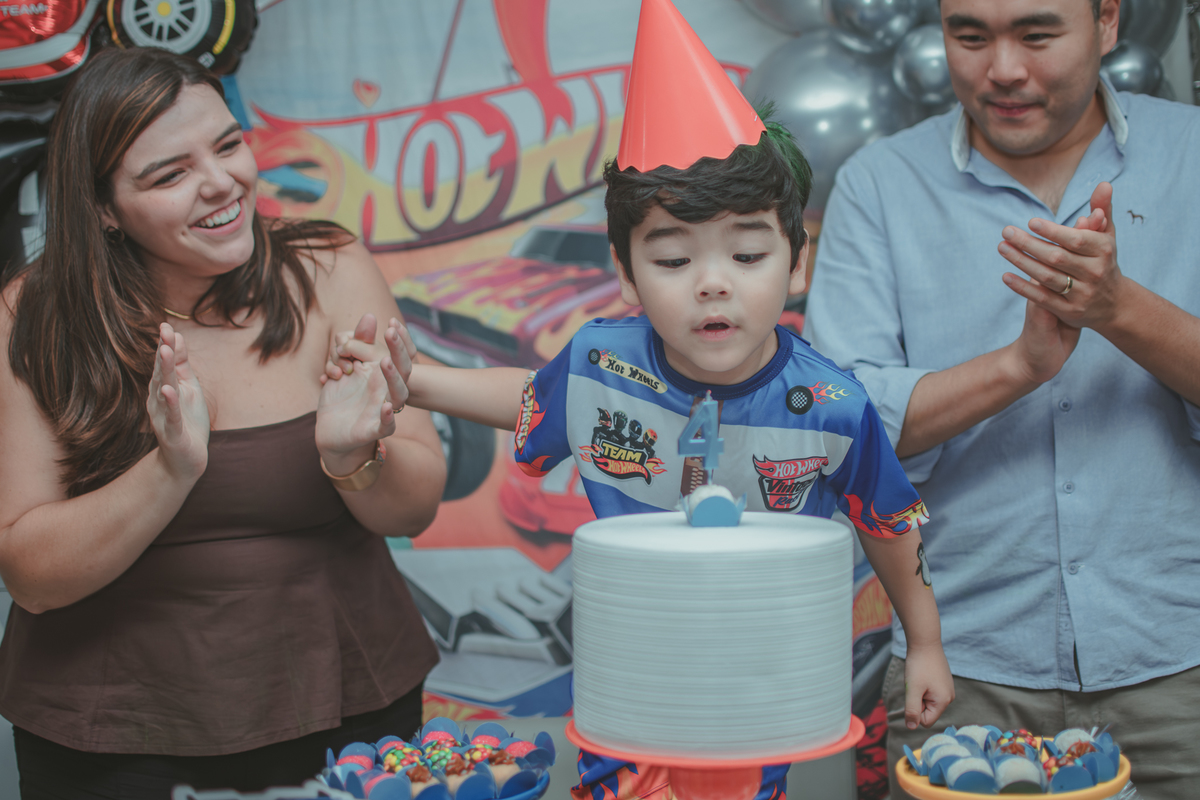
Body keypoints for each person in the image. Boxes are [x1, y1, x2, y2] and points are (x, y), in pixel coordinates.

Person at [329, 1, 953, 796]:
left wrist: (924, 642)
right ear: (626, 277)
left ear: (798, 264)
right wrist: (413, 380)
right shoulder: (599, 361)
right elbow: (530, 399)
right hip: (629, 684)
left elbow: (889, 522)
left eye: (749, 251)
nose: (713, 281)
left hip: (760, 694)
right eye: (672, 259)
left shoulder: (833, 405)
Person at [0, 48, 446, 796]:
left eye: (229, 144)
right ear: (104, 209)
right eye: (168, 175)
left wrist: (351, 459)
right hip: (117, 731)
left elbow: (418, 505)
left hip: (347, 701)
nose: (221, 183)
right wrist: (169, 469)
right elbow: (32, 577)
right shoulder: (33, 313)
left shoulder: (329, 268)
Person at [803, 0, 1200, 797]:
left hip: (1178, 667)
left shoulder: (1192, 156)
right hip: (962, 670)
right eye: (970, 36)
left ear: (1109, 23)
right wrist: (1020, 366)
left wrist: (1121, 310)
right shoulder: (882, 185)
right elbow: (839, 427)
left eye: (1038, 33)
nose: (1004, 69)